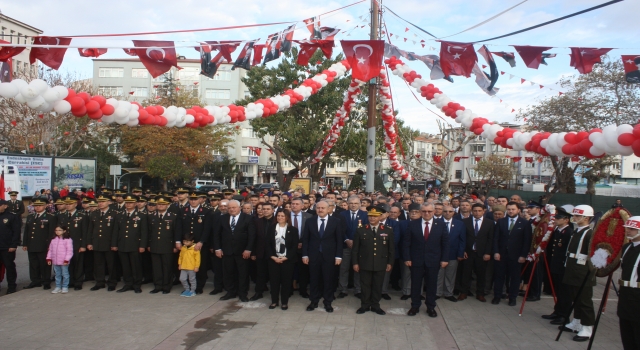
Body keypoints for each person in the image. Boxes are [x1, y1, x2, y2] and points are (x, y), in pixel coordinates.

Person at [403, 203, 449, 317]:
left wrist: (444, 259)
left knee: (432, 285)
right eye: (424, 211)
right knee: (415, 285)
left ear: (433, 212)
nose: (426, 213)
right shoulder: (413, 224)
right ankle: (415, 306)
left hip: (433, 260)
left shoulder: (441, 225)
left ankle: (431, 307)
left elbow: (446, 244)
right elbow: (406, 243)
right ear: (420, 212)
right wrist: (407, 258)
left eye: (429, 211)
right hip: (416, 260)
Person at [560, 205, 597, 342]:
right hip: (572, 268)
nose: (574, 218)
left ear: (586, 218)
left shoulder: (589, 233)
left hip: (583, 271)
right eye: (574, 215)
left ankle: (587, 328)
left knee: (584, 301)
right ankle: (577, 321)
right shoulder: (577, 231)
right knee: (575, 298)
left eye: (577, 216)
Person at [302, 200, 344, 312]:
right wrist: (305, 255)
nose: (320, 210)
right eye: (318, 208)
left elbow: (339, 240)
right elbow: (305, 239)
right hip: (313, 255)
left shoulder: (336, 221)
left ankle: (328, 302)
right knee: (314, 279)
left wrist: (338, 256)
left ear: (328, 209)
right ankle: (314, 301)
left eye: (322, 208)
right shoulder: (310, 221)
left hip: (329, 256)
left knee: (328, 280)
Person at [353, 206, 394, 315]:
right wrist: (355, 263)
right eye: (370, 216)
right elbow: (355, 249)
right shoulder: (361, 230)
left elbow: (391, 249)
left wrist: (390, 262)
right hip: (365, 263)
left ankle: (376, 305)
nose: (372, 218)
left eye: (375, 216)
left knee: (377, 285)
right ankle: (365, 305)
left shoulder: (387, 230)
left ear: (380, 217)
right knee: (365, 285)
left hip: (381, 263)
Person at [214, 200, 255, 302]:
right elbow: (217, 234)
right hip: (227, 251)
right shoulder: (222, 218)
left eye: (234, 207)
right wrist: (218, 248)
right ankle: (230, 292)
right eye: (229, 208)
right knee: (228, 273)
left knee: (243, 274)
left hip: (242, 252)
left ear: (239, 208)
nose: (231, 209)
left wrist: (248, 249)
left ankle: (242, 294)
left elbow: (252, 236)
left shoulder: (248, 218)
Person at [492, 202, 532, 306]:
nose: (511, 211)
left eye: (513, 209)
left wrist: (523, 255)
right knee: (499, 276)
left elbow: (527, 241)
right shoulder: (501, 221)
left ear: (518, 210)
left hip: (516, 256)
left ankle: (512, 297)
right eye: (509, 209)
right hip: (501, 254)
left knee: (515, 278)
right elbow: (495, 238)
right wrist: (496, 251)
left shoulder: (524, 223)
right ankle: (497, 296)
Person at [541, 207, 574, 325]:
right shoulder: (557, 231)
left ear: (566, 220)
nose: (555, 219)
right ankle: (557, 311)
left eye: (558, 218)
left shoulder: (569, 232)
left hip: (563, 267)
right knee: (558, 291)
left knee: (564, 293)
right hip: (555, 265)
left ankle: (564, 315)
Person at [176, 192, 212, 295]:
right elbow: (178, 227)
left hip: (199, 244)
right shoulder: (183, 211)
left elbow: (207, 229)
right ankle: (188, 287)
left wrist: (201, 241)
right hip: (186, 244)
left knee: (200, 266)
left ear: (200, 200)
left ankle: (199, 287)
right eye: (191, 199)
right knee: (186, 265)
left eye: (195, 199)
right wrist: (178, 241)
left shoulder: (206, 212)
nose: (193, 201)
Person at [112, 195, 147, 293]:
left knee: (136, 266)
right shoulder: (119, 215)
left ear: (135, 203)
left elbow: (144, 232)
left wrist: (142, 245)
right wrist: (114, 244)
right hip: (122, 244)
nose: (128, 204)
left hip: (135, 245)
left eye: (131, 202)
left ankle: (137, 285)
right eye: (127, 202)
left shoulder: (141, 216)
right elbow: (116, 231)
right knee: (125, 266)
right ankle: (128, 284)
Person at [459, 203, 494, 302]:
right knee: (466, 273)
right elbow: (462, 238)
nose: (477, 212)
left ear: (484, 211)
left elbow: (490, 239)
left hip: (482, 253)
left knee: (481, 274)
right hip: (468, 252)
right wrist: (463, 250)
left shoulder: (489, 223)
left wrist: (487, 253)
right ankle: (464, 292)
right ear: (471, 211)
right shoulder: (465, 222)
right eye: (475, 211)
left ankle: (480, 293)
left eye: (479, 211)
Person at [338, 196, 369, 299]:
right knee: (344, 268)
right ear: (347, 204)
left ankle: (358, 290)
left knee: (358, 268)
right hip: (345, 245)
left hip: (359, 246)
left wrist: (356, 241)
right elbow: (340, 229)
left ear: (360, 204)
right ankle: (343, 289)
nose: (353, 205)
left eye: (356, 203)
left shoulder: (365, 215)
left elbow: (366, 230)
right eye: (351, 203)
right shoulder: (342, 215)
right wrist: (346, 240)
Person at [23, 197, 57, 290]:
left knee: (45, 264)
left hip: (43, 245)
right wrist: (25, 243)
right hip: (32, 244)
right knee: (33, 264)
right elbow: (27, 231)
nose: (37, 207)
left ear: (45, 206)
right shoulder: (30, 216)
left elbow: (51, 233)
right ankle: (35, 281)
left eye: (40, 205)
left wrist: (50, 245)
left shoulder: (50, 217)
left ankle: (46, 281)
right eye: (35, 206)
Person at [148, 196, 181, 294]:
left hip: (168, 246)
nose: (161, 206)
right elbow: (149, 232)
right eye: (159, 204)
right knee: (156, 267)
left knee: (167, 267)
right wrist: (148, 244)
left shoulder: (173, 216)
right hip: (155, 245)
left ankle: (167, 286)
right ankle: (158, 286)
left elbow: (176, 232)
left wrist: (175, 245)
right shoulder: (151, 216)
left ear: (167, 205)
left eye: (163, 204)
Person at [267, 210, 299, 310]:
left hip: (287, 260)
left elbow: (294, 246)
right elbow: (267, 244)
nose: (280, 217)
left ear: (287, 218)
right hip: (273, 260)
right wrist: (273, 257)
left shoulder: (293, 230)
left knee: (286, 282)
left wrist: (286, 257)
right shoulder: (271, 228)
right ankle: (274, 301)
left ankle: (284, 302)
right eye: (278, 215)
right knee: (274, 281)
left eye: (282, 216)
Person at [616, 216, 640, 348]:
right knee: (626, 333)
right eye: (628, 228)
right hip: (625, 294)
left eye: (632, 229)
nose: (628, 231)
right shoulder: (626, 247)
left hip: (638, 296)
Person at [87, 195, 118, 291]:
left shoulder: (114, 213)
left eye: (103, 201)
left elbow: (115, 231)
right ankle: (100, 282)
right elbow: (90, 230)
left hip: (109, 243)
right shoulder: (94, 213)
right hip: (97, 243)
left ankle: (112, 282)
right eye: (99, 201)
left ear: (108, 202)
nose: (100, 203)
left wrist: (114, 244)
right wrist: (89, 243)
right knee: (98, 264)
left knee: (111, 264)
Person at [437, 205, 465, 302]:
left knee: (450, 275)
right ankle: (437, 293)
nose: (447, 213)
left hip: (453, 254)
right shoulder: (437, 223)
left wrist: (460, 253)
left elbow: (462, 240)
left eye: (450, 211)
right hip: (438, 254)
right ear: (442, 212)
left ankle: (448, 293)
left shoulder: (459, 224)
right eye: (445, 211)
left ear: (453, 213)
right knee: (439, 274)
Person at [251, 202, 275, 301]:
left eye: (267, 209)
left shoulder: (277, 221)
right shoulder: (257, 222)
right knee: (260, 274)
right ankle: (258, 292)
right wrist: (253, 252)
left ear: (273, 210)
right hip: (260, 252)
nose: (265, 211)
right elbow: (253, 238)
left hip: (274, 253)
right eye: (263, 209)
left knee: (274, 274)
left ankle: (274, 293)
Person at [0, 199, 21, 294]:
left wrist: (14, 245)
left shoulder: (12, 216)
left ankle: (12, 286)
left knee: (9, 267)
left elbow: (16, 232)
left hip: (7, 247)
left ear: (5, 206)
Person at [46, 225, 74, 294]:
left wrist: (66, 259)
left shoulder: (67, 239)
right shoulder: (53, 240)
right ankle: (58, 286)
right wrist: (49, 258)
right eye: (56, 230)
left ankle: (65, 286)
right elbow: (50, 250)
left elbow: (69, 251)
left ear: (64, 231)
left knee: (65, 274)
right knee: (57, 274)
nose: (57, 232)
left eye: (59, 230)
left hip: (63, 260)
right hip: (55, 260)